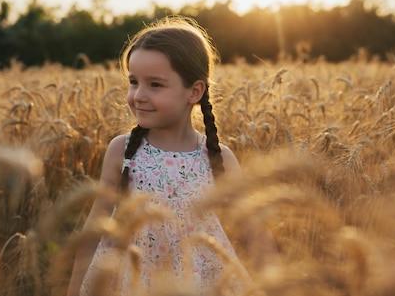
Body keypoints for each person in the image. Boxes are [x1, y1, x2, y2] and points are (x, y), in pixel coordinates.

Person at [66, 17, 277, 296]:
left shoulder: (219, 160)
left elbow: (255, 237)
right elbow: (93, 233)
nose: (138, 95)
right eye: (133, 82)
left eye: (155, 85)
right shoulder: (122, 151)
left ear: (194, 91)